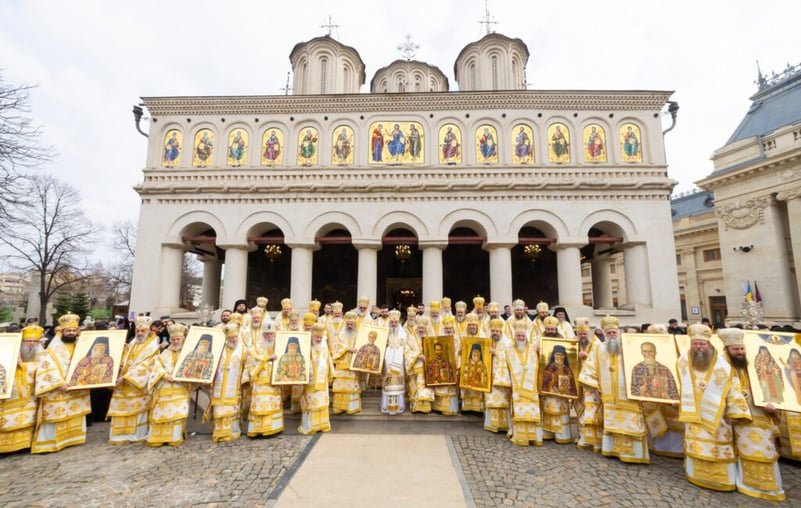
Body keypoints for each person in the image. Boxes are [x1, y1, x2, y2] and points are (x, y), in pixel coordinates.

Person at [677, 324, 751, 492]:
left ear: (709, 344)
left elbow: (734, 387)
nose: (699, 347)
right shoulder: (682, 361)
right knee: (696, 444)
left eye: (702, 344)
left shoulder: (723, 365)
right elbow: (679, 384)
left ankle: (722, 479)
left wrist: (735, 411)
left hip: (718, 414)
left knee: (718, 447)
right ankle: (695, 474)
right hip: (693, 412)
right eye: (695, 344)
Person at [720, 328, 785, 500]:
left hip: (761, 414)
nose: (740, 352)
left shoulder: (755, 365)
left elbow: (771, 386)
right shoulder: (723, 367)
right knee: (743, 449)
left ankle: (770, 487)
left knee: (766, 449)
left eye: (742, 349)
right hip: (740, 418)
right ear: (727, 350)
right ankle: (745, 483)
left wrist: (773, 405)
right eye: (736, 349)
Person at [578, 315, 649, 463]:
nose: (611, 335)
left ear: (618, 333)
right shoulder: (598, 349)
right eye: (608, 333)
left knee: (630, 421)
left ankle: (634, 454)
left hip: (629, 394)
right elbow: (589, 370)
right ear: (604, 333)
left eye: (614, 333)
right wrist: (595, 387)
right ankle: (611, 450)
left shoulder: (629, 348)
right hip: (608, 394)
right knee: (611, 422)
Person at [32, 312, 92, 454]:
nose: (71, 333)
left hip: (77, 388)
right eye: (68, 330)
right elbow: (46, 368)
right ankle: (50, 443)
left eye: (73, 330)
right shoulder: (53, 348)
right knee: (56, 415)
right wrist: (60, 383)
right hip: (59, 389)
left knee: (75, 413)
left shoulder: (81, 346)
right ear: (62, 331)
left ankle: (73, 439)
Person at [107, 315, 160, 444]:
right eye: (138, 331)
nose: (140, 333)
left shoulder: (153, 348)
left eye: (143, 331)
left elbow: (148, 365)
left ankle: (136, 435)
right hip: (122, 384)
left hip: (137, 385)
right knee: (121, 409)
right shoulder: (132, 344)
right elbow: (125, 360)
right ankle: (119, 435)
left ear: (148, 332)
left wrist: (127, 377)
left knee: (137, 411)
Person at [0, 325, 44, 453]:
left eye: (34, 341)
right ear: (22, 341)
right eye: (28, 341)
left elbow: (43, 370)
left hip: (30, 395)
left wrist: (23, 365)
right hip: (10, 393)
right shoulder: (8, 350)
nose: (31, 344)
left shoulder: (42, 353)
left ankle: (24, 445)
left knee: (28, 419)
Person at [147, 322, 192, 446]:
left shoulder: (188, 354)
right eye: (173, 339)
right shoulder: (165, 353)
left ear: (182, 339)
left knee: (177, 412)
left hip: (180, 387)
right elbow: (157, 366)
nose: (176, 341)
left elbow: (193, 369)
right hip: (164, 386)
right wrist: (166, 376)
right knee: (161, 412)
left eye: (178, 339)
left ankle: (174, 436)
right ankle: (158, 438)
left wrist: (182, 378)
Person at [207, 322, 247, 442]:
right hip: (220, 382)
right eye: (230, 338)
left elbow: (248, 365)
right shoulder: (219, 349)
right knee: (219, 406)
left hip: (234, 384)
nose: (233, 339)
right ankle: (219, 432)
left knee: (232, 406)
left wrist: (245, 380)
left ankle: (233, 431)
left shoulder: (243, 349)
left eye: (234, 337)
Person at [244, 321, 284, 437]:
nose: (269, 336)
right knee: (259, 404)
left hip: (274, 380)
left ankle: (273, 428)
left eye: (271, 334)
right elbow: (251, 360)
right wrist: (267, 358)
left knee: (273, 404)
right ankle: (257, 430)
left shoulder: (279, 344)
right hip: (260, 382)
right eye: (266, 334)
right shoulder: (256, 346)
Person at [506, 321, 543, 446]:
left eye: (522, 336)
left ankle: (534, 437)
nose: (520, 338)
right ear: (514, 337)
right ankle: (520, 437)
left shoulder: (533, 348)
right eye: (518, 336)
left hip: (531, 387)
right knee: (519, 412)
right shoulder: (509, 350)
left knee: (532, 411)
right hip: (516, 388)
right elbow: (504, 367)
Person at [298, 324, 332, 435]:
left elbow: (328, 359)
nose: (318, 339)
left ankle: (322, 425)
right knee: (311, 402)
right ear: (312, 336)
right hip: (310, 379)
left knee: (322, 401)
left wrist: (331, 372)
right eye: (316, 337)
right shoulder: (305, 345)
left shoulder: (324, 346)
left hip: (322, 379)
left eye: (320, 337)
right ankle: (310, 426)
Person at [541, 342, 577, 444]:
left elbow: (572, 382)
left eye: (561, 355)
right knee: (550, 413)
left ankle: (562, 436)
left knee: (561, 415)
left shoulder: (567, 369)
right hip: (550, 395)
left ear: (564, 356)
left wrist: (567, 390)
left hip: (562, 396)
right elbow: (545, 380)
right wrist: (551, 384)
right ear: (553, 355)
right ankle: (548, 434)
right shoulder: (549, 367)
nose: (559, 357)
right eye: (557, 354)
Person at [575, 319, 602, 450]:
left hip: (591, 383)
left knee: (592, 410)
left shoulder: (596, 343)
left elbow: (601, 359)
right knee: (580, 409)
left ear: (588, 332)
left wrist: (587, 357)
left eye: (584, 333)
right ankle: (582, 436)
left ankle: (595, 440)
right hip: (577, 383)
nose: (582, 336)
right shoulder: (573, 343)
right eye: (580, 334)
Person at [483, 318, 512, 433]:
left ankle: (504, 425)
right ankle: (492, 424)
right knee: (491, 401)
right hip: (490, 376)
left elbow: (510, 358)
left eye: (497, 331)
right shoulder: (488, 341)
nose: (495, 333)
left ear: (501, 331)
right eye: (493, 331)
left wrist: (497, 353)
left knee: (503, 401)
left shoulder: (507, 342)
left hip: (502, 378)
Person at [331, 312, 362, 415]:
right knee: (340, 386)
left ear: (355, 324)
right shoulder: (340, 334)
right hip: (342, 365)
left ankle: (350, 407)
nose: (349, 326)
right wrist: (348, 348)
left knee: (352, 385)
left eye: (351, 324)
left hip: (353, 364)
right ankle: (339, 407)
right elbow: (336, 345)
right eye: (348, 324)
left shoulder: (358, 334)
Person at [404, 316, 435, 413]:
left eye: (423, 328)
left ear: (426, 328)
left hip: (427, 367)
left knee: (426, 388)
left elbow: (436, 351)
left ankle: (426, 407)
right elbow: (407, 350)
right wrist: (417, 355)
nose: (421, 330)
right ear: (416, 328)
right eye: (419, 328)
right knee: (417, 387)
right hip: (416, 367)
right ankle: (416, 407)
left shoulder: (431, 338)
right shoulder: (411, 338)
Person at [381, 310, 407, 415]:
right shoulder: (385, 333)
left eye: (396, 322)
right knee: (388, 384)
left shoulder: (403, 334)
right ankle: (386, 406)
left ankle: (399, 406)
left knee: (397, 384)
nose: (394, 324)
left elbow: (405, 346)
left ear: (399, 322)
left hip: (398, 363)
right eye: (392, 322)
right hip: (387, 362)